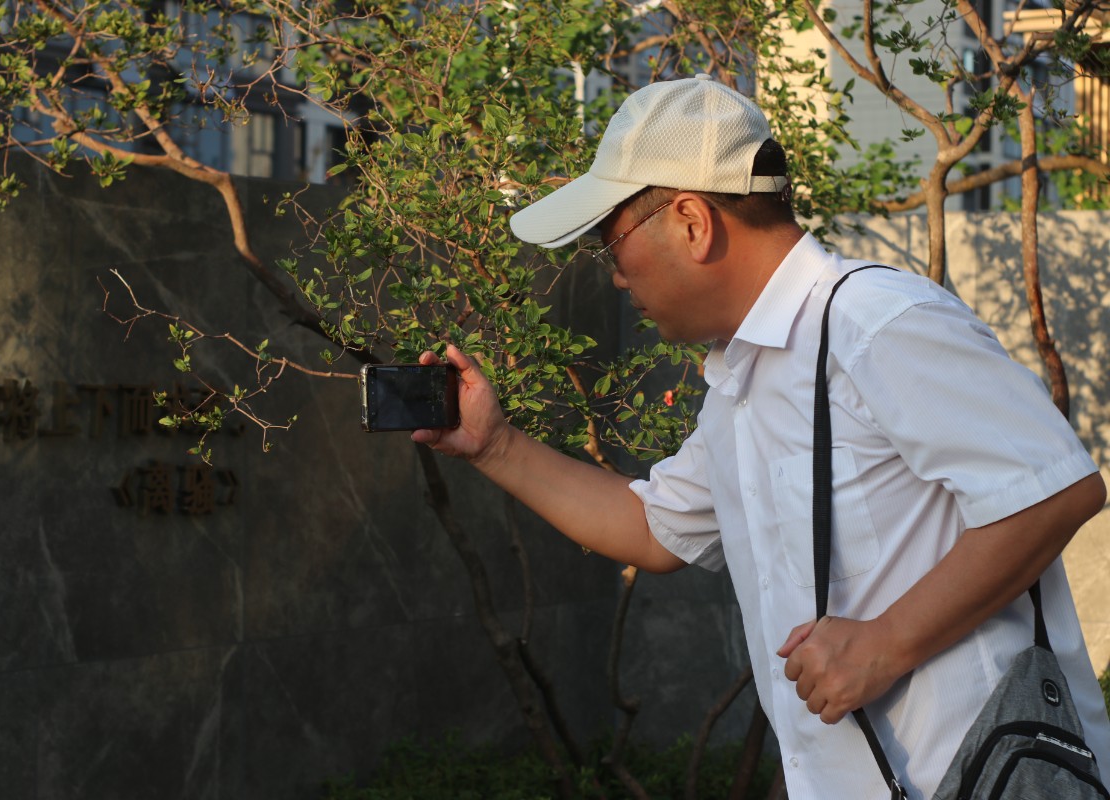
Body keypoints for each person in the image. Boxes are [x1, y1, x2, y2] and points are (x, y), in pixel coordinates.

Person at [411, 74, 1110, 798]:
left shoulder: (876, 323)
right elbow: (653, 529)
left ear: (692, 222)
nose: (615, 277)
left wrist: (886, 643)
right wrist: (493, 445)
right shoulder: (743, 380)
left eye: (609, 243)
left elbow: (1054, 492)